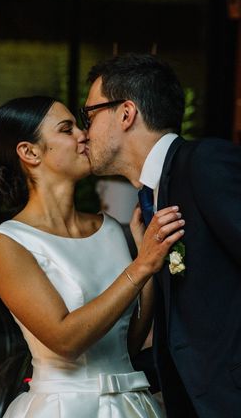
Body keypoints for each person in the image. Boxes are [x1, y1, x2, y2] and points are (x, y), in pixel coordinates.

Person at [0, 96, 184, 417]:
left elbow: (127, 346)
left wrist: (143, 259)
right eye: (67, 129)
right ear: (30, 152)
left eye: (79, 125)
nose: (84, 135)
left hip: (129, 405)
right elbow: (65, 340)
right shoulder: (9, 243)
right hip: (62, 407)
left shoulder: (111, 229)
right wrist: (141, 265)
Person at [82, 53, 241, 418]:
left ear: (125, 113)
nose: (85, 132)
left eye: (89, 115)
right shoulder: (149, 200)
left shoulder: (204, 162)